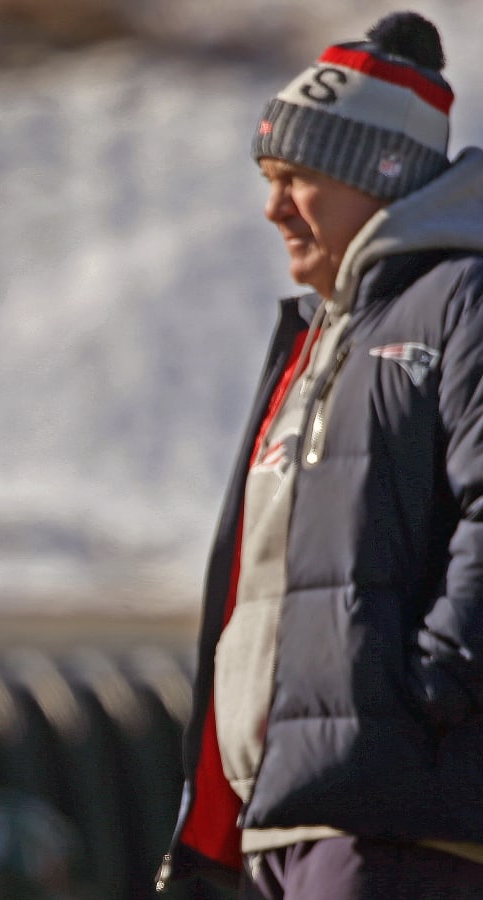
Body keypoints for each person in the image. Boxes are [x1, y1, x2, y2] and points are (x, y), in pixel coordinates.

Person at [157, 11, 483, 900]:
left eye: (294, 177)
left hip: (394, 823)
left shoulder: (461, 300)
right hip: (288, 820)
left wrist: (431, 687)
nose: (271, 207)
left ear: (378, 171)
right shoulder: (316, 339)